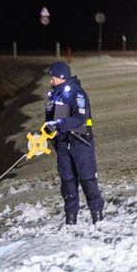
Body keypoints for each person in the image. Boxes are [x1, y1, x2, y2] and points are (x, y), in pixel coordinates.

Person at [44, 61, 105, 224]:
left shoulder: (77, 95)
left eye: (53, 77)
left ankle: (97, 216)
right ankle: (71, 218)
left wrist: (59, 124)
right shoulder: (53, 96)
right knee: (67, 181)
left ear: (62, 77)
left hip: (80, 143)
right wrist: (48, 133)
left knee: (87, 179)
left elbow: (79, 119)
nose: (51, 81)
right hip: (63, 145)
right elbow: (49, 121)